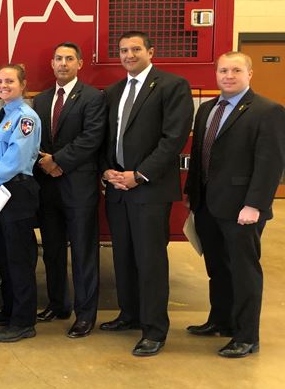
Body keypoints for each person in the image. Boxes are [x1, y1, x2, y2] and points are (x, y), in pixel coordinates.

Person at [184, 52, 285, 358]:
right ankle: (221, 321)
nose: (229, 76)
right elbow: (200, 156)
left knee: (244, 272)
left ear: (249, 74)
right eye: (223, 70)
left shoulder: (267, 111)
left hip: (242, 208)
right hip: (207, 204)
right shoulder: (207, 109)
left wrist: (255, 204)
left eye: (236, 70)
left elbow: (270, 163)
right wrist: (192, 194)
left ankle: (246, 336)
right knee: (218, 268)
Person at [100, 31, 193, 357]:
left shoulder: (172, 86)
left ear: (150, 52)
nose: (129, 55)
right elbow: (106, 137)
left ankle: (154, 330)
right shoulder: (113, 91)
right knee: (123, 256)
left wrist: (139, 175)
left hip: (149, 190)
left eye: (135, 49)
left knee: (150, 260)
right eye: (123, 50)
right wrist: (107, 171)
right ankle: (129, 314)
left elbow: (173, 138)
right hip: (118, 189)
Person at [32, 42, 106, 338]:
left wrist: (58, 161)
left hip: (78, 187)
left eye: (69, 59)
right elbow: (35, 138)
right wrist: (46, 163)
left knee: (83, 252)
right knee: (52, 250)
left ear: (80, 64)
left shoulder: (93, 97)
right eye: (58, 59)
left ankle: (85, 315)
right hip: (48, 187)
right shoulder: (41, 99)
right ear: (52, 64)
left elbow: (92, 138)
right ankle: (58, 304)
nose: (63, 63)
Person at [0, 64, 42, 343]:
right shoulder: (4, 115)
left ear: (23, 85)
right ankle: (9, 310)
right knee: (3, 256)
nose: (3, 85)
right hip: (0, 191)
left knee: (19, 259)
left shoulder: (26, 117)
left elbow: (15, 160)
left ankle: (24, 321)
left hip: (16, 191)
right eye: (0, 81)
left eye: (10, 81)